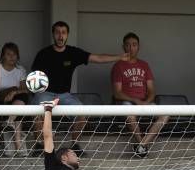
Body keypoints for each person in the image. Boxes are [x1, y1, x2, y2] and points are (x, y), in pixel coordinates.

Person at [31, 21, 127, 156]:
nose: (60, 36)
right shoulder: (43, 54)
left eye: (63, 32)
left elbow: (97, 57)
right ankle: (39, 145)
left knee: (82, 112)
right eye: (57, 32)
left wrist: (119, 57)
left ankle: (75, 145)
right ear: (53, 34)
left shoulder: (73, 52)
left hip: (64, 95)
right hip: (45, 93)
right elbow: (33, 77)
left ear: (67, 35)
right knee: (38, 110)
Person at [111, 32, 168, 158]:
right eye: (128, 45)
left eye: (134, 45)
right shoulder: (118, 66)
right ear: (123, 47)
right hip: (127, 102)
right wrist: (136, 100)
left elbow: (152, 90)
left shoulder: (144, 65)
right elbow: (117, 93)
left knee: (165, 114)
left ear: (138, 47)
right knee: (130, 114)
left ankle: (142, 145)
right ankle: (142, 146)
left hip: (144, 102)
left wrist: (146, 101)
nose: (131, 48)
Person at [0, 42, 29, 157]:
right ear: (3, 56)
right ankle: (18, 140)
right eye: (8, 54)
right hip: (0, 99)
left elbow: (24, 90)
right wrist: (6, 94)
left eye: (14, 54)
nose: (12, 57)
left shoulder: (20, 70)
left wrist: (14, 92)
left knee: (22, 97)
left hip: (15, 101)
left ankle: (10, 122)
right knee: (19, 105)